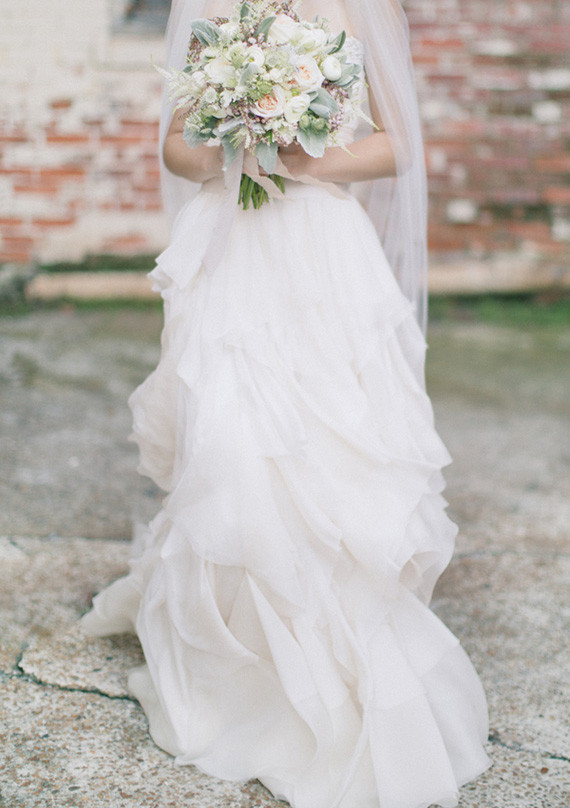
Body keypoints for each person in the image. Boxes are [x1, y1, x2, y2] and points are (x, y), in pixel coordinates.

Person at [82, 1, 492, 806]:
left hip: (322, 256)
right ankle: (239, 655)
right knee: (231, 447)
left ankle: (335, 650)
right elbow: (174, 145)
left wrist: (300, 161)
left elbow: (397, 145)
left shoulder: (355, 9)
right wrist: (231, 156)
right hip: (233, 246)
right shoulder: (211, 12)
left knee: (330, 452)